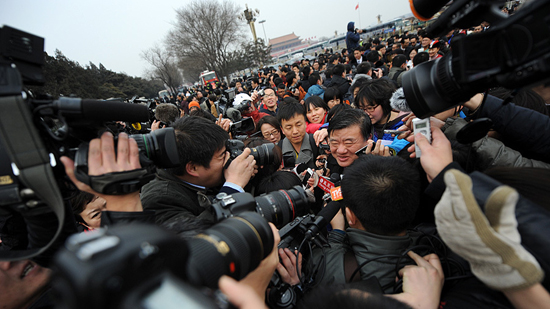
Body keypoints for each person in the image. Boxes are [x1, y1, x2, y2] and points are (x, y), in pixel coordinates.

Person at [140, 116, 256, 225]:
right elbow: (201, 239)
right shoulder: (159, 202)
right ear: (193, 168)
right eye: (222, 155)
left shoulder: (190, 178)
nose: (228, 158)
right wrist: (233, 186)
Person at [354, 79, 410, 155]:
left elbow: (399, 146)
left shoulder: (405, 123)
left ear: (384, 103)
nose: (366, 113)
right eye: (362, 109)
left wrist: (389, 151)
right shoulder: (362, 123)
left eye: (370, 108)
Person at [277, 102, 318, 169]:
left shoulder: (315, 142)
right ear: (282, 130)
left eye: (298, 125)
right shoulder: (279, 149)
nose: (295, 131)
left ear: (305, 123)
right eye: (289, 128)